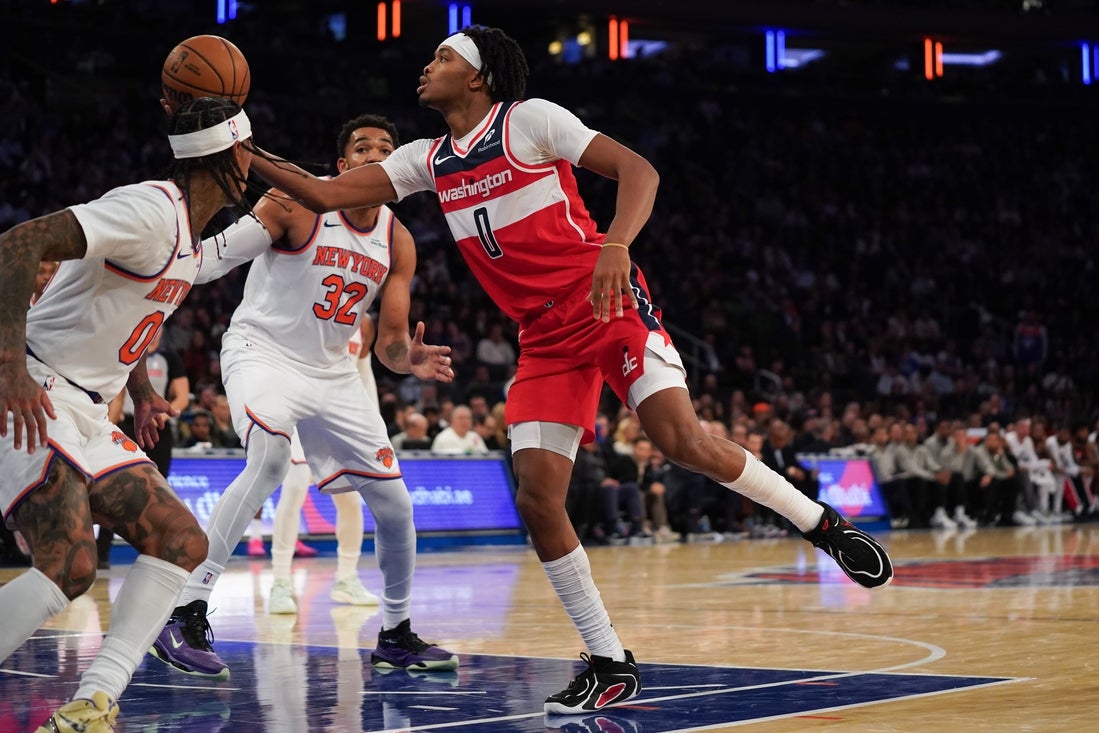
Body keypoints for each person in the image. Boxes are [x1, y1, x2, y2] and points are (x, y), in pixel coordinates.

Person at [247, 26, 893, 715]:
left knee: (679, 439)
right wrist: (239, 147)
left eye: (443, 57)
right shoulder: (424, 159)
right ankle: (609, 661)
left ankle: (819, 523)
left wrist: (616, 244)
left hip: (604, 299)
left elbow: (640, 172)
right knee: (535, 495)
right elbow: (321, 194)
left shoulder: (529, 121)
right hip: (543, 338)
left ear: (477, 76)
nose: (426, 66)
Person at [149, 113, 458, 682]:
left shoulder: (398, 240)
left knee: (395, 506)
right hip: (262, 352)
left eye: (385, 148)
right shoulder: (295, 202)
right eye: (362, 148)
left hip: (334, 373)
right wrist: (156, 264)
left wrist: (406, 360)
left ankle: (395, 634)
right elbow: (213, 259)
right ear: (342, 165)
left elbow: (390, 344)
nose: (375, 155)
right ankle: (185, 610)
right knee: (269, 461)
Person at [0, 97, 252, 732]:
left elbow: (128, 316)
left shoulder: (188, 241)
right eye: (248, 148)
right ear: (225, 156)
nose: (254, 161)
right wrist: (9, 368)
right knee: (70, 566)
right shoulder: (150, 209)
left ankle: (91, 705)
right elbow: (19, 240)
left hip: (87, 407)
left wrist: (140, 389)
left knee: (182, 541)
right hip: (34, 385)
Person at [267, 315, 386, 615]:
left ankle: (346, 578)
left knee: (351, 501)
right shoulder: (305, 308)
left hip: (341, 418)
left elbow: (364, 376)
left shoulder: (365, 323)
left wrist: (373, 426)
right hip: (300, 412)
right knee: (294, 488)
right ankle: (280, 582)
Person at [99, 327, 189, 569]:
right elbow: (118, 394)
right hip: (128, 425)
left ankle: (160, 551)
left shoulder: (170, 358)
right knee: (117, 488)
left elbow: (182, 397)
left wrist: (161, 416)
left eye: (160, 328)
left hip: (159, 427)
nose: (155, 332)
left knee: (159, 489)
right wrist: (110, 423)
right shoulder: (128, 352)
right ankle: (101, 551)